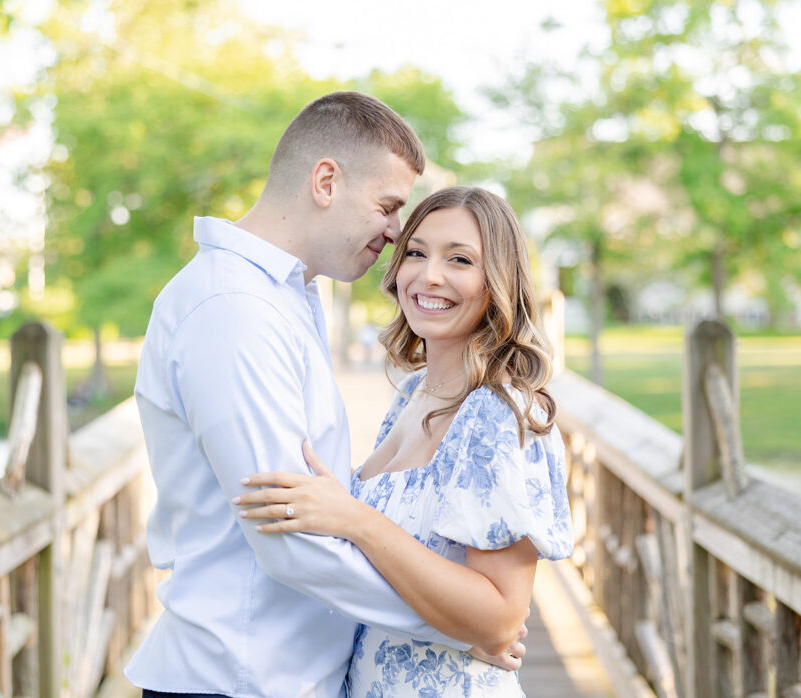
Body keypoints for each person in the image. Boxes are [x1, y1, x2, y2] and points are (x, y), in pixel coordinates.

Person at [126, 93, 523, 698]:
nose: (396, 234)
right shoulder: (234, 310)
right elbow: (291, 540)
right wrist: (455, 627)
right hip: (241, 677)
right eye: (388, 207)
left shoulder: (281, 300)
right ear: (326, 181)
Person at [235, 186, 574, 697]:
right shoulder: (414, 393)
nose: (429, 275)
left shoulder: (498, 413)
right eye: (416, 252)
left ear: (497, 283)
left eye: (460, 259)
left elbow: (501, 618)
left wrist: (354, 518)